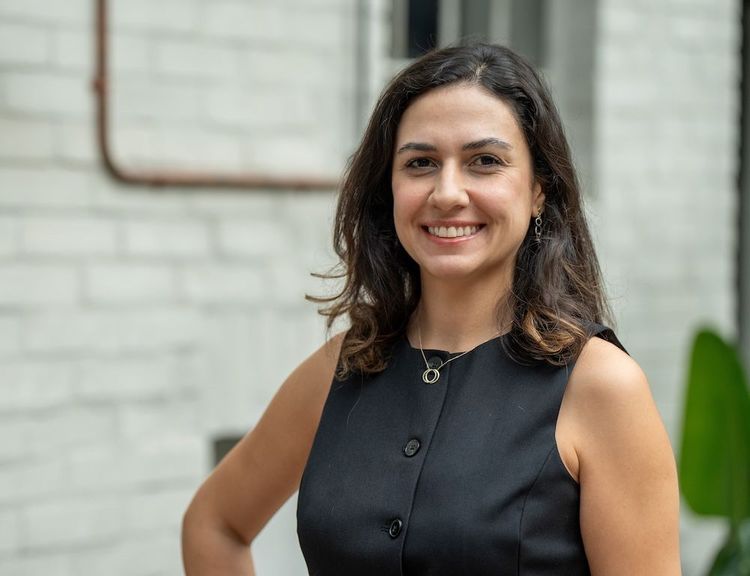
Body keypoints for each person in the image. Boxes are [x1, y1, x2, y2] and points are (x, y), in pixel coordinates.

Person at [181, 43, 681, 575]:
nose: (447, 193)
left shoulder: (601, 386)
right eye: (420, 163)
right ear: (390, 187)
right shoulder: (342, 369)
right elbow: (214, 524)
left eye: (484, 162)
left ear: (538, 190)